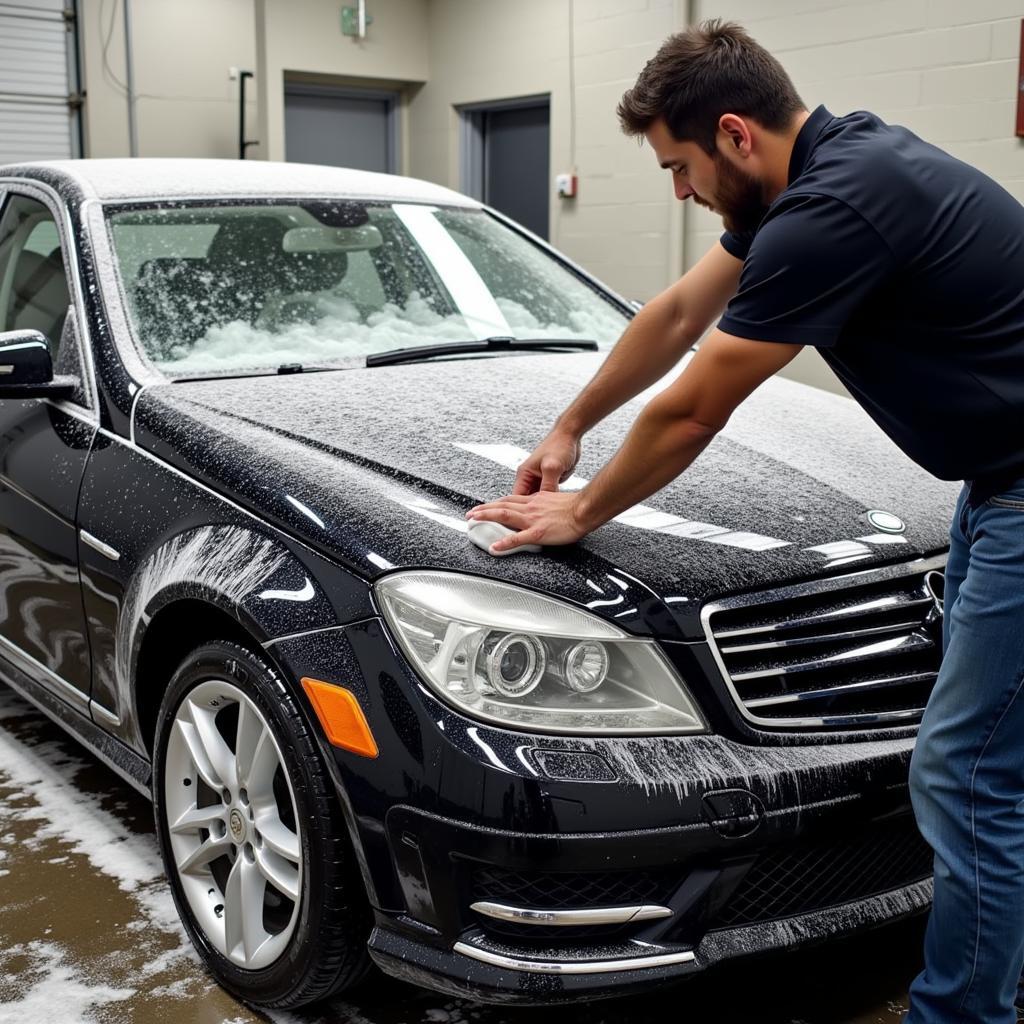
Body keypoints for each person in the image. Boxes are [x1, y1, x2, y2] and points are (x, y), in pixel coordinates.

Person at [464, 19, 1024, 1024]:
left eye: (680, 168)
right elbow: (678, 314)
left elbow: (694, 405)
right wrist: (570, 426)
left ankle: (964, 1014)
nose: (678, 193)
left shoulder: (837, 207)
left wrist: (581, 509)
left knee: (964, 774)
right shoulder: (823, 170)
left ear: (733, 135)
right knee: (986, 763)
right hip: (997, 484)